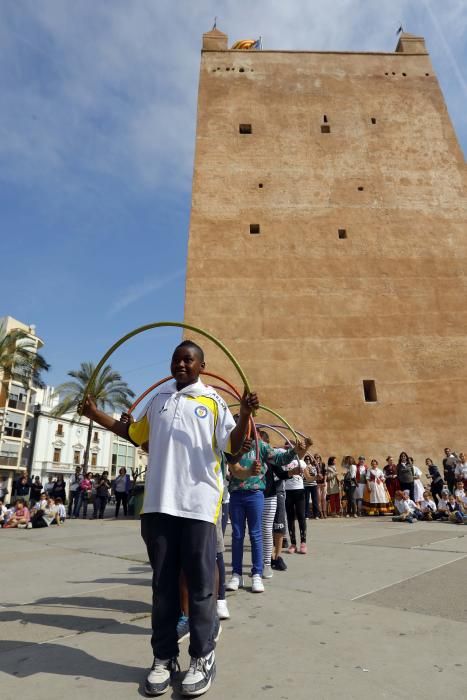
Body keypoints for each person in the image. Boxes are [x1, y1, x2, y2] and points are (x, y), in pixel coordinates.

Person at [80, 339, 258, 696]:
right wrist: (94, 415)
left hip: (198, 506)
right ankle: (163, 658)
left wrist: (246, 415)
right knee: (162, 589)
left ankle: (202, 657)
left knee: (201, 586)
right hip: (158, 507)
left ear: (201, 366)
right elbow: (132, 433)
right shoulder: (158, 400)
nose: (181, 364)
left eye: (188, 360)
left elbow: (234, 446)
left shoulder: (213, 400)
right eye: (176, 359)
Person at [303, 454, 319, 519]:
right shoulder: (303, 467)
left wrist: (310, 469)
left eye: (309, 459)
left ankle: (316, 515)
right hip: (306, 485)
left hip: (313, 485)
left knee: (315, 500)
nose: (307, 460)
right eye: (306, 459)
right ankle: (306, 515)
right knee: (306, 500)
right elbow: (304, 476)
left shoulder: (313, 467)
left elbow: (315, 475)